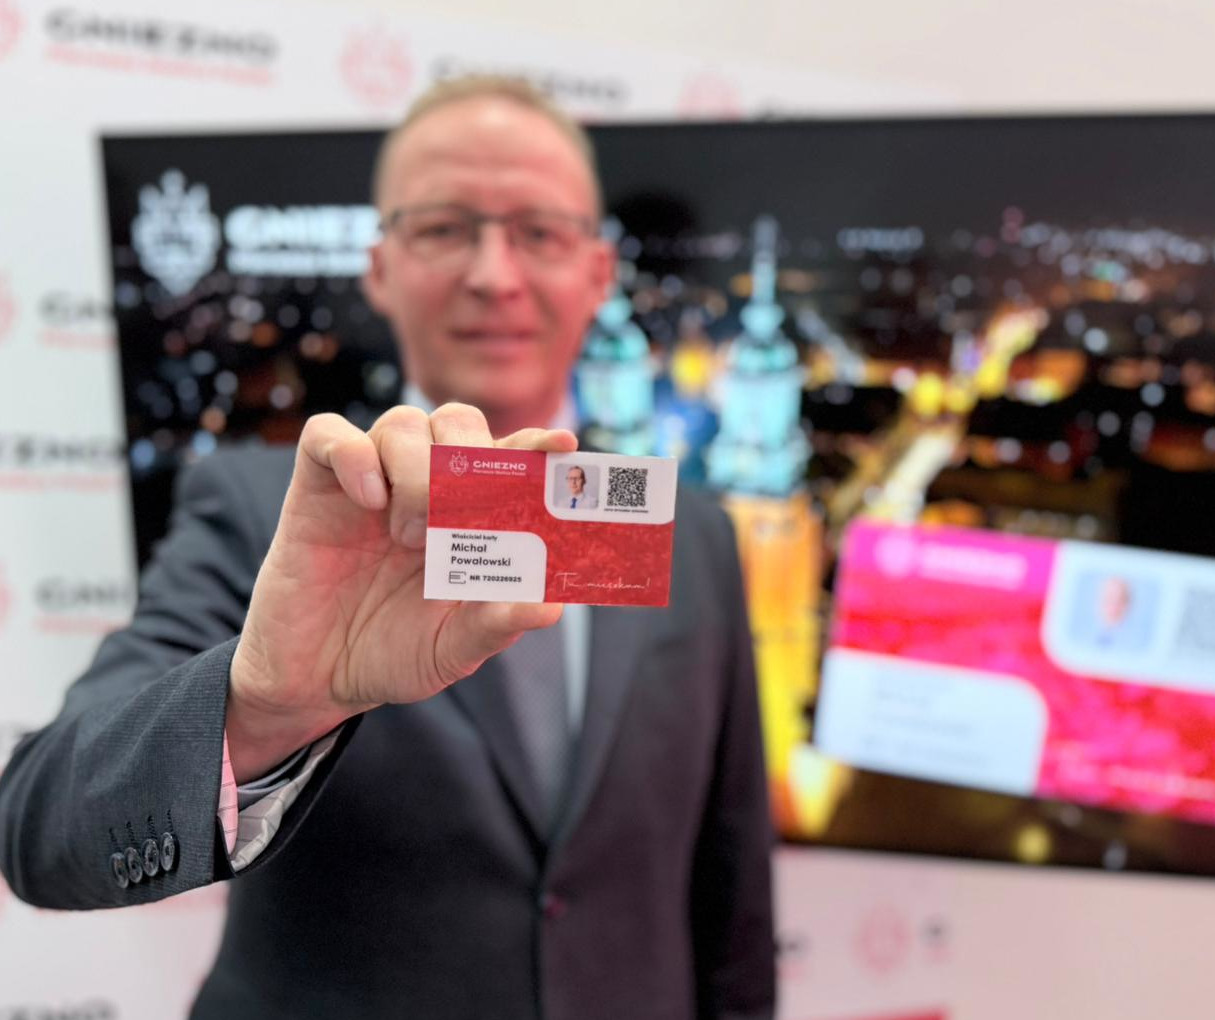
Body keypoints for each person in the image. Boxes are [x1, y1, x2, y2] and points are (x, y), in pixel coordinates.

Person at [0, 76, 775, 1020]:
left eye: (540, 231)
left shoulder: (690, 533)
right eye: (444, 228)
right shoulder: (274, 511)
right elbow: (41, 825)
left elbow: (732, 880)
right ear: (379, 267)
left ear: (598, 272)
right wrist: (264, 706)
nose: (495, 274)